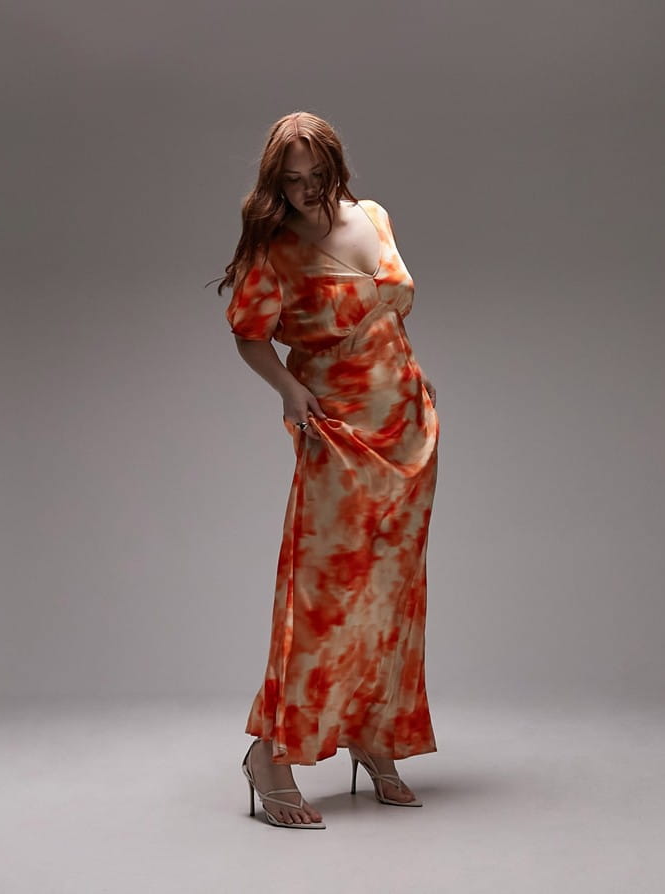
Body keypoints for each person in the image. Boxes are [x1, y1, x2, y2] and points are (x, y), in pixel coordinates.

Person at [217, 111, 440, 829]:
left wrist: (413, 374)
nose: (308, 189)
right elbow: (250, 336)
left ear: (336, 166)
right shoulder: (274, 249)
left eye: (317, 174)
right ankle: (269, 757)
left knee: (391, 593)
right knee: (324, 594)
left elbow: (390, 312)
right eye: (293, 180)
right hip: (337, 429)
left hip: (408, 429)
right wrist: (289, 390)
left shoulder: (373, 216)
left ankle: (374, 736)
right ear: (275, 182)